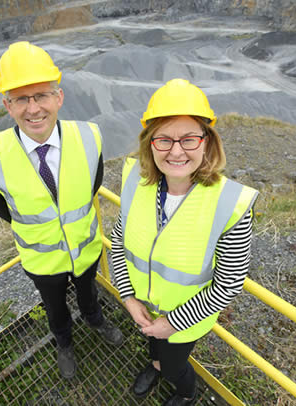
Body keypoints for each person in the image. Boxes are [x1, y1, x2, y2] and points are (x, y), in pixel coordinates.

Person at [0, 41, 123, 380]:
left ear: (59, 97)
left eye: (41, 95)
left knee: (89, 293)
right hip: (42, 262)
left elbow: (92, 184)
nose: (33, 108)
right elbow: (0, 207)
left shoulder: (89, 138)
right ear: (7, 105)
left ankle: (96, 321)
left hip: (85, 249)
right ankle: (65, 343)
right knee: (55, 309)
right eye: (21, 99)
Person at [111, 79, 258, 405]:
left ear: (207, 142)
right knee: (154, 348)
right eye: (164, 139)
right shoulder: (136, 181)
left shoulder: (229, 204)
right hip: (143, 310)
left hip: (184, 324)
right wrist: (128, 298)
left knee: (177, 366)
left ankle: (185, 392)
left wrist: (171, 323)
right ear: (150, 143)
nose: (176, 151)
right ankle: (155, 364)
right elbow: (119, 241)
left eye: (189, 138)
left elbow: (229, 283)